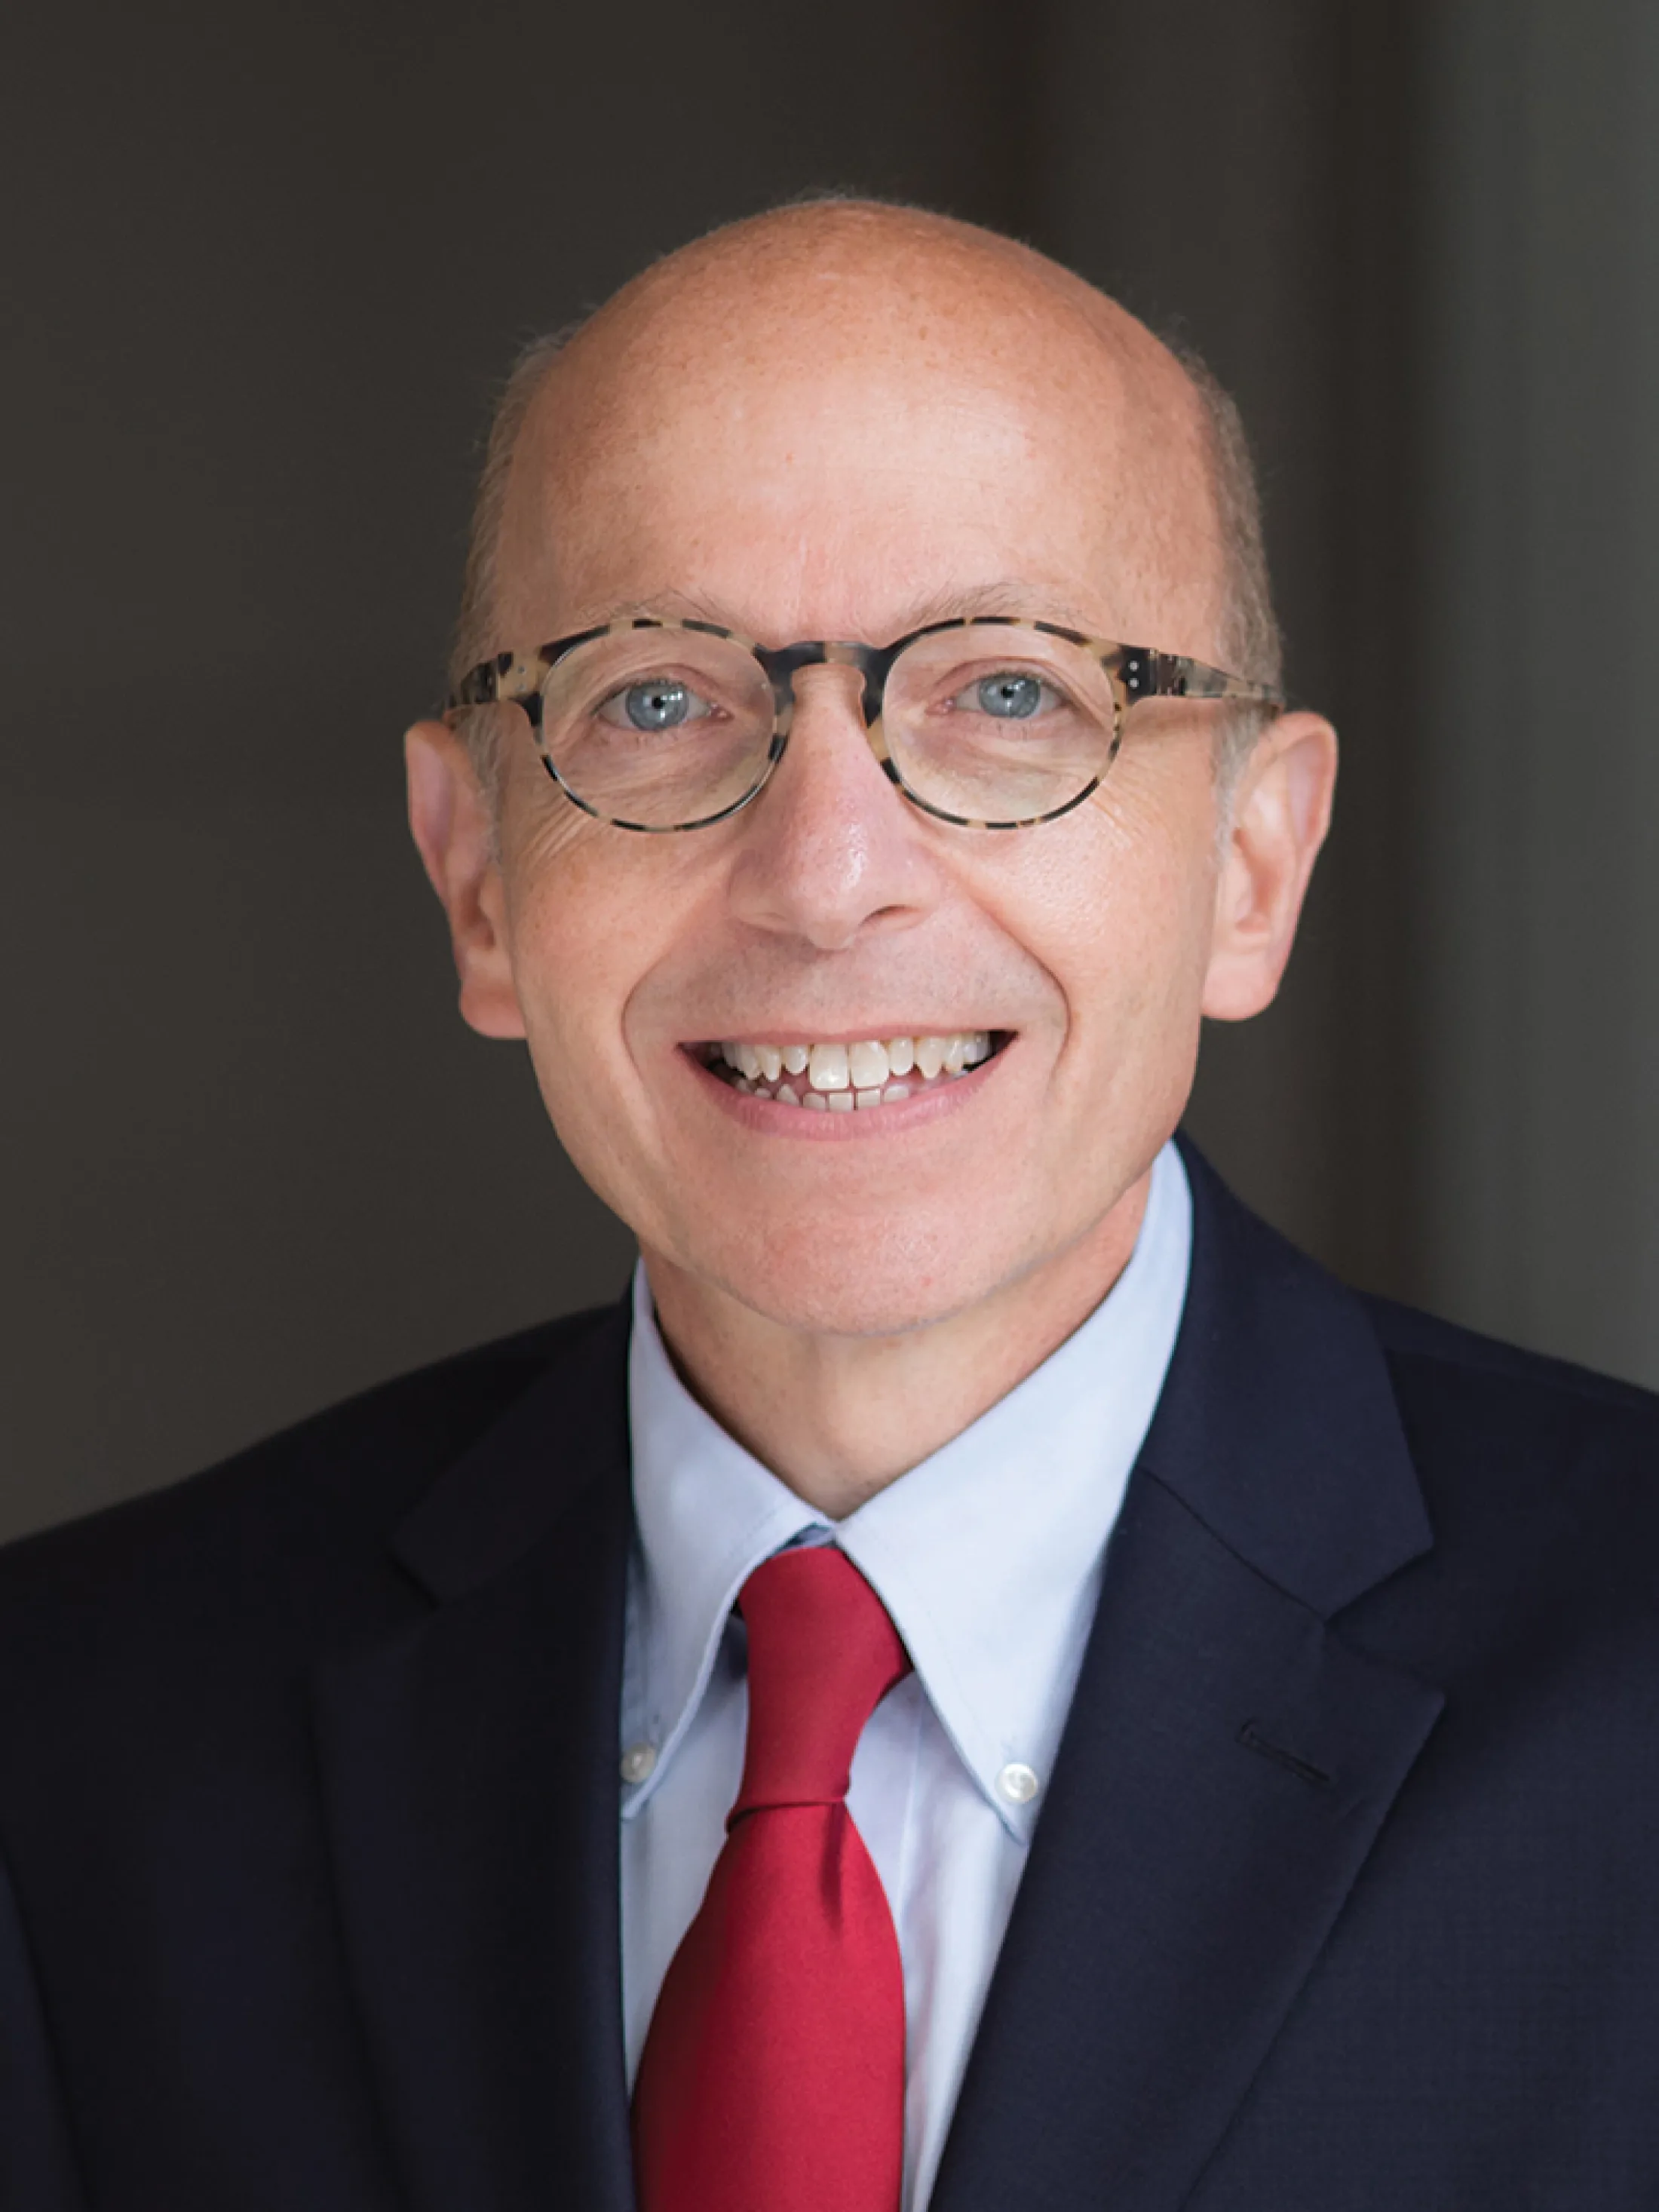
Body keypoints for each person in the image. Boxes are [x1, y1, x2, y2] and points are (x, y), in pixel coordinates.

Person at [2, 197, 1657, 2212]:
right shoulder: (78, 1738)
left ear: (1254, 864)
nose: (826, 867)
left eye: (1012, 693)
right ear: (475, 878)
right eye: (660, 699)